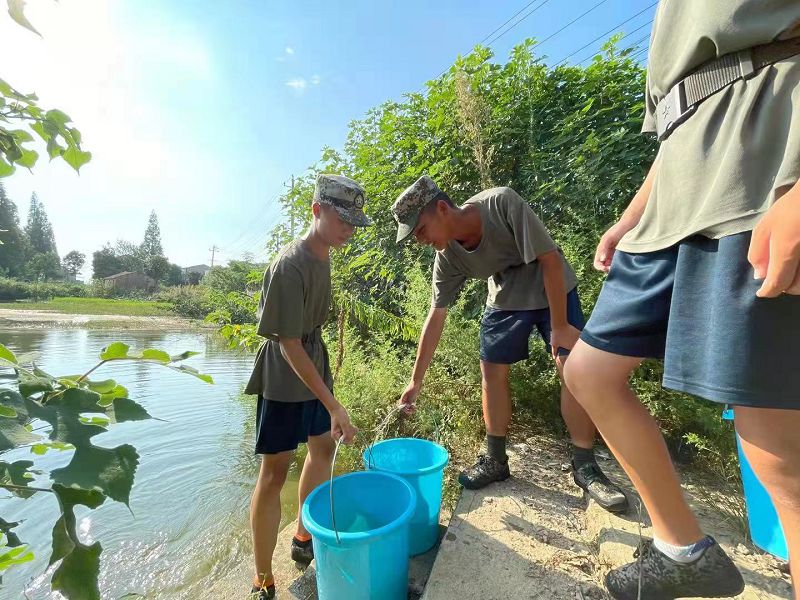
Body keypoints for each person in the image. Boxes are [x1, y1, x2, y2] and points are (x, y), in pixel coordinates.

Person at [563, 2, 800, 598]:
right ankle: (684, 552)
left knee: (776, 449)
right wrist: (627, 219)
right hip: (672, 206)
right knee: (590, 372)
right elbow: (681, 117)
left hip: (762, 170)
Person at [393, 175, 628, 513]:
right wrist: (415, 381)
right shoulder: (448, 257)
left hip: (553, 287)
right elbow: (436, 315)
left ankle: (584, 464)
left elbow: (548, 259)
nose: (419, 240)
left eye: (420, 229)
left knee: (572, 368)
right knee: (491, 369)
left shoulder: (501, 203)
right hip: (505, 296)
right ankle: (495, 459)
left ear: (442, 209)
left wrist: (560, 326)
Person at [244, 174, 370, 599]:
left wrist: (328, 396)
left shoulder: (326, 253)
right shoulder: (289, 265)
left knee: (323, 449)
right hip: (285, 374)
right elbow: (288, 344)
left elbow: (309, 335)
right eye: (343, 220)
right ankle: (262, 577)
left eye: (354, 222)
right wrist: (334, 404)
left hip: (313, 362)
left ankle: (302, 534)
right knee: (274, 471)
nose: (349, 230)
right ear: (317, 211)